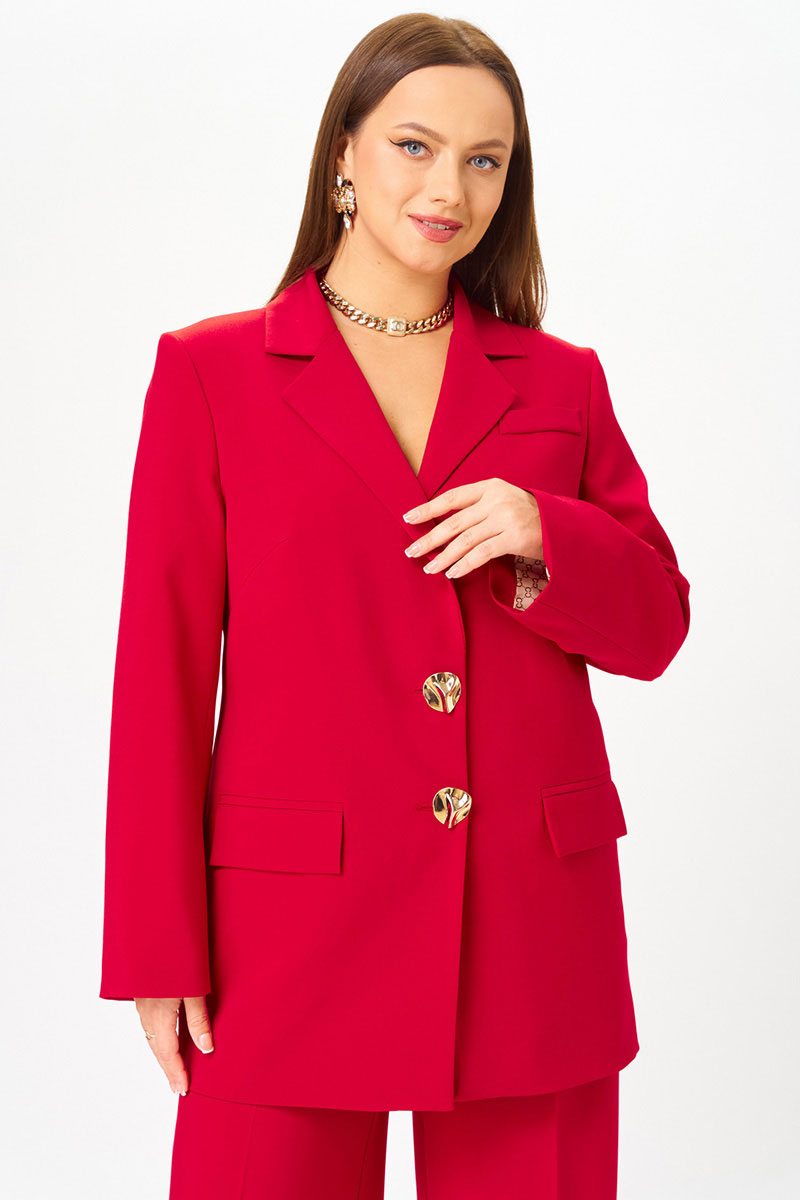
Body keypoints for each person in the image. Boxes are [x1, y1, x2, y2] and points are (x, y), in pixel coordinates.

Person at [99, 12, 691, 1199]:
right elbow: (160, 669)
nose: (447, 189)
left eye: (484, 160)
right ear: (344, 156)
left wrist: (545, 531)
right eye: (414, 146)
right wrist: (156, 946)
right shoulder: (211, 374)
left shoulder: (559, 382)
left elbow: (655, 628)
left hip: (530, 926)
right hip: (283, 934)